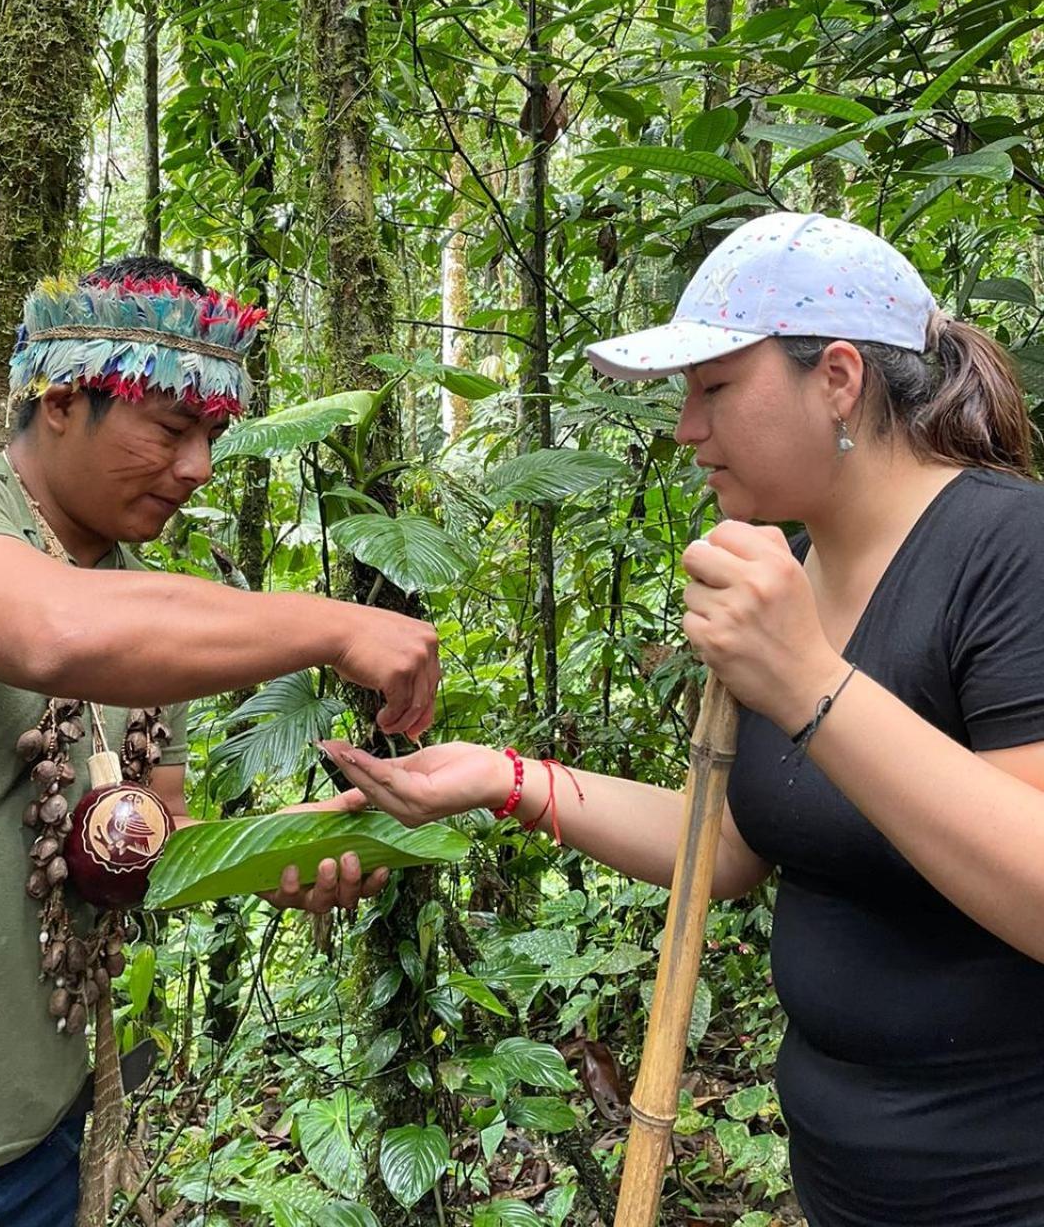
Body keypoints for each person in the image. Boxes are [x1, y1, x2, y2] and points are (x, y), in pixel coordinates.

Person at [319, 211, 1044, 1227]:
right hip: (848, 1175)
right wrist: (502, 780)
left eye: (715, 389)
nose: (685, 428)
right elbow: (740, 840)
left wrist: (804, 681)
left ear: (837, 379)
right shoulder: (792, 571)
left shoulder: (1010, 548)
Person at [0, 257, 437, 1224]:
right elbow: (57, 635)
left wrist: (275, 849)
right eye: (170, 429)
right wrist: (338, 625)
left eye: (212, 435)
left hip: (41, 1135)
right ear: (64, 400)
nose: (199, 468)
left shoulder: (151, 617)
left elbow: (150, 837)